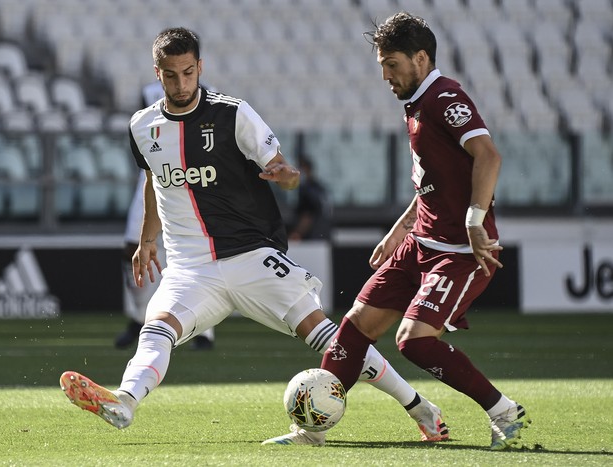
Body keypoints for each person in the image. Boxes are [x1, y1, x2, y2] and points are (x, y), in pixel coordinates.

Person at [60, 27, 448, 445]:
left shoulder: (233, 114)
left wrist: (288, 177)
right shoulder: (143, 126)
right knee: (156, 330)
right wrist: (148, 238)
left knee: (329, 337)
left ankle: (421, 409)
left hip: (250, 256)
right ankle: (125, 401)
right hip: (191, 266)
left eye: (188, 73)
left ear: (199, 68)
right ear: (158, 74)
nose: (181, 83)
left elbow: (285, 170)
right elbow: (154, 181)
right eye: (171, 75)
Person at [272, 12, 530, 450]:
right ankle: (310, 432)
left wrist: (473, 218)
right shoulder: (417, 102)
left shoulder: (445, 96)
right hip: (419, 243)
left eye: (392, 64)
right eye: (382, 67)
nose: (386, 76)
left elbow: (488, 156)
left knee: (413, 342)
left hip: (459, 251)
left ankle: (503, 411)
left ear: (421, 58)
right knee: (353, 328)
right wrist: (401, 226)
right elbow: (435, 177)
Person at [114, 78, 215, 351]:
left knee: (196, 254)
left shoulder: (209, 94)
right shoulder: (149, 91)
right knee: (131, 249)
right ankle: (138, 318)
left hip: (189, 181)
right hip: (149, 180)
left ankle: (204, 330)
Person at [287, 155, 332, 241]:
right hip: (324, 236)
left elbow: (307, 215)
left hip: (311, 238)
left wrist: (297, 233)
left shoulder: (307, 191)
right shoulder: (320, 188)